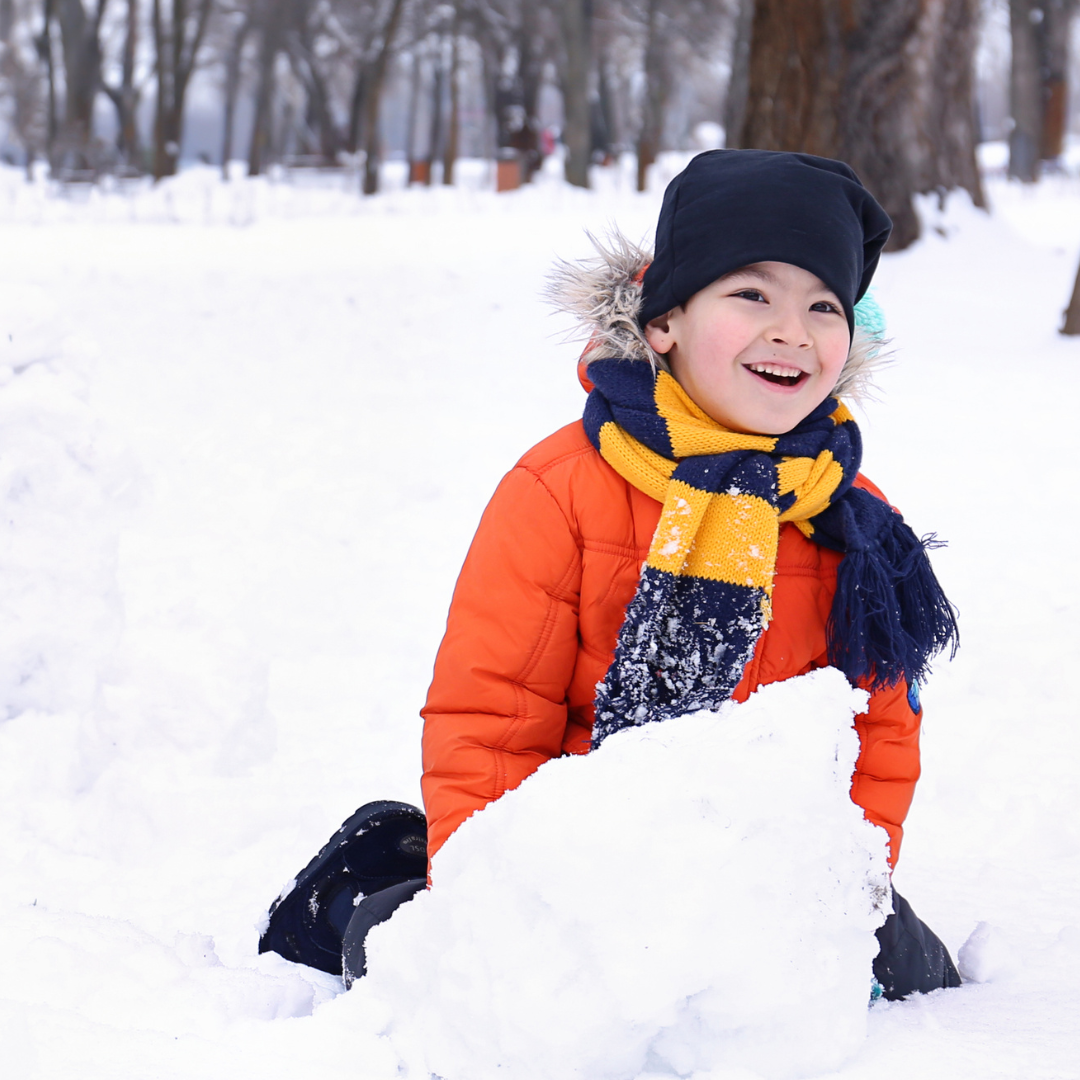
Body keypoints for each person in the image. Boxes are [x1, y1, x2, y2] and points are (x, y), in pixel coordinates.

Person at [260, 150, 962, 998]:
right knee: (438, 965)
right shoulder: (559, 492)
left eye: (824, 305)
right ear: (663, 321)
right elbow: (492, 717)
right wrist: (509, 898)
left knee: (914, 972)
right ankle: (361, 885)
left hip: (757, 865)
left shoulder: (852, 516)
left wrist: (839, 891)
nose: (793, 330)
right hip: (571, 859)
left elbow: (881, 734)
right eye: (752, 295)